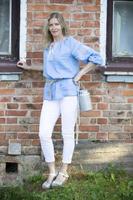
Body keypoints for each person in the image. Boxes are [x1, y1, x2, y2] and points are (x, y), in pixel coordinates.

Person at [17, 12, 103, 189]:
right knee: (43, 133)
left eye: (56, 24)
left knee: (67, 133)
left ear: (62, 25)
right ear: (48, 28)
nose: (54, 27)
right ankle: (51, 171)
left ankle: (64, 171)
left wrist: (79, 74)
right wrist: (29, 67)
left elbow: (97, 58)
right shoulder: (49, 47)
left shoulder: (70, 43)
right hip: (50, 92)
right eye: (51, 25)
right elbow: (48, 68)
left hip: (68, 92)